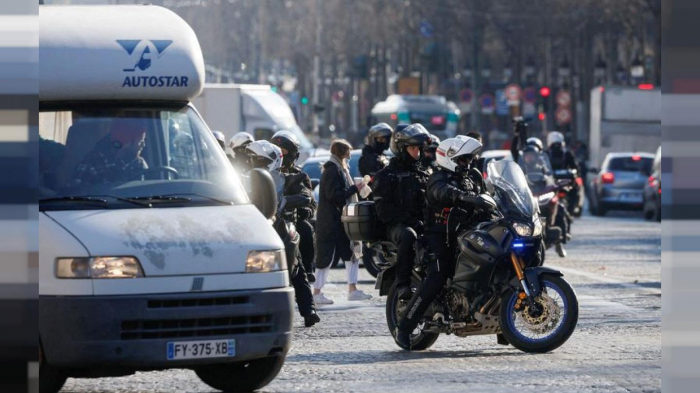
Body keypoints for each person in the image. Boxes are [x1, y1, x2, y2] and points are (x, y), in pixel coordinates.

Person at [394, 136, 496, 350]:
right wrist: (465, 198)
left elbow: (488, 195)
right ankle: (404, 327)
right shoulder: (438, 179)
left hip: (466, 235)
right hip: (439, 237)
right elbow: (442, 192)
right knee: (438, 277)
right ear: (449, 158)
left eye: (469, 159)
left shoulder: (472, 177)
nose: (467, 164)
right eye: (463, 159)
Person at [244, 140, 320, 327]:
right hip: (256, 226)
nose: (255, 164)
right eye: (253, 159)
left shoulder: (292, 177)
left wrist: (287, 200)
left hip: (282, 224)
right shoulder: (246, 179)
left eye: (260, 160)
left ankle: (308, 310)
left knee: (297, 266)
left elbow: (306, 196)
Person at [373, 123, 431, 301]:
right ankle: (403, 284)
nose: (417, 153)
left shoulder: (423, 173)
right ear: (401, 148)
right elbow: (384, 211)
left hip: (422, 223)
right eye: (413, 148)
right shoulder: (386, 175)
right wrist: (411, 221)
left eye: (419, 149)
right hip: (396, 226)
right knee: (409, 235)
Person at [314, 139, 372, 304]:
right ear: (341, 152)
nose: (350, 153)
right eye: (347, 151)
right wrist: (355, 188)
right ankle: (317, 292)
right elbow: (335, 195)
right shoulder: (333, 171)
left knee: (352, 254)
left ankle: (352, 289)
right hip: (331, 222)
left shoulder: (340, 169)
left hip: (340, 221)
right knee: (325, 257)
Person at [271, 130, 317, 284]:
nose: (280, 156)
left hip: (290, 219)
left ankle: (308, 269)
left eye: (283, 152)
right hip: (268, 219)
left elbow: (310, 202)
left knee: (306, 229)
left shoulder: (299, 175)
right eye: (277, 152)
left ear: (292, 154)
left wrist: (304, 209)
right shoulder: (263, 172)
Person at [72, 118, 149, 187]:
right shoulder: (92, 163)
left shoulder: (139, 164)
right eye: (140, 141)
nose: (143, 145)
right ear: (125, 143)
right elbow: (76, 195)